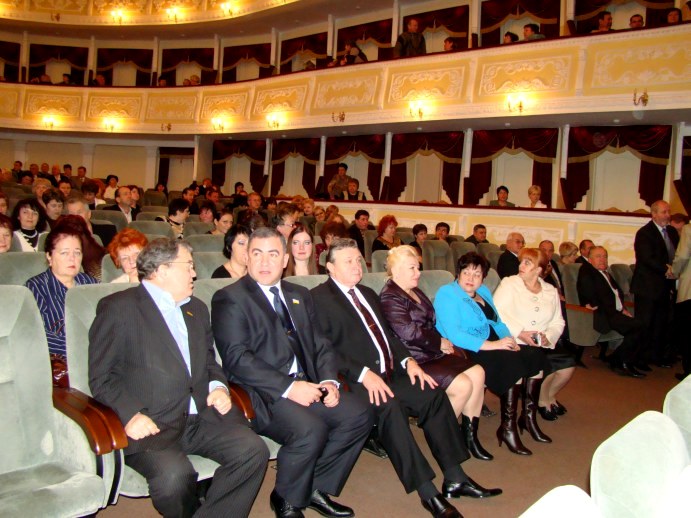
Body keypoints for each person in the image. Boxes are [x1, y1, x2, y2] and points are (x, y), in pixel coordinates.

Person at [311, 239, 501, 518]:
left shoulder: (366, 293)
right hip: (356, 380)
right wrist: (364, 374)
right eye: (348, 261)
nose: (357, 265)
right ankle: (427, 492)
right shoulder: (318, 298)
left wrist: (408, 361)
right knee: (392, 410)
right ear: (330, 267)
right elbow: (324, 349)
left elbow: (389, 336)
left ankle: (455, 477)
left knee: (432, 395)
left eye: (358, 260)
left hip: (390, 372)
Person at [89, 238, 268, 517]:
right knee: (174, 479)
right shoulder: (119, 308)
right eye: (188, 266)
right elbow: (101, 377)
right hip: (153, 423)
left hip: (202, 417)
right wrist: (130, 415)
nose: (194, 273)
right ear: (162, 270)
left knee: (254, 451)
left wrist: (218, 387)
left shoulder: (196, 308)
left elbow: (209, 360)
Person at [211, 227, 373, 518]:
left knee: (359, 414)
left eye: (273, 254)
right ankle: (286, 498)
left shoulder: (299, 294)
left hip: (308, 383)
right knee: (310, 429)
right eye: (257, 254)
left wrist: (328, 380)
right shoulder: (230, 298)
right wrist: (289, 388)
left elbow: (320, 343)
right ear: (247, 258)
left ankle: (313, 487)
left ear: (285, 259)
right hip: (263, 393)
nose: (265, 262)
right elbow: (237, 358)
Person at [380, 246, 491, 460]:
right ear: (395, 271)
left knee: (478, 372)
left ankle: (469, 437)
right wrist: (439, 342)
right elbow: (408, 332)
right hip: (412, 358)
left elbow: (430, 323)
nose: (418, 273)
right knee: (463, 385)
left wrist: (443, 341)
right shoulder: (390, 297)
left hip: (430, 352)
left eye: (418, 267)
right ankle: (443, 438)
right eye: (412, 268)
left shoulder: (414, 290)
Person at [434, 252, 549, 456]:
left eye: (477, 274)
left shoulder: (484, 291)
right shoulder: (447, 293)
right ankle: (505, 429)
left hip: (493, 341)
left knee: (534, 355)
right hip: (469, 348)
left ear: (483, 277)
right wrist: (495, 345)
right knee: (512, 364)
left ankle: (527, 419)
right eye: (466, 272)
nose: (471, 278)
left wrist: (509, 340)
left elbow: (497, 322)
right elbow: (455, 334)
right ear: (458, 273)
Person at [493, 248, 574, 423]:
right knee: (537, 359)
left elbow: (558, 321)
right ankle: (533, 411)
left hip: (541, 343)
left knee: (567, 364)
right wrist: (520, 333)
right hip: (515, 340)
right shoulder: (509, 284)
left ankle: (545, 399)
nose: (521, 266)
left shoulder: (550, 290)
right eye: (521, 261)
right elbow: (498, 313)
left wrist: (548, 337)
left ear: (538, 270)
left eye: (527, 263)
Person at [26, 216, 99, 362]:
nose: (72, 258)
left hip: (99, 354)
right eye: (64, 253)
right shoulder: (36, 287)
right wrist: (80, 348)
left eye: (77, 252)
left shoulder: (91, 283)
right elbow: (36, 333)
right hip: (64, 360)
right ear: (49, 256)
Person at [577, 246, 646, 378]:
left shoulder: (606, 273)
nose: (602, 259)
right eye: (598, 256)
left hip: (615, 312)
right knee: (637, 327)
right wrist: (588, 303)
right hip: (604, 314)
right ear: (590, 260)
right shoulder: (587, 271)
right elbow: (587, 292)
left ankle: (620, 359)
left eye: (605, 256)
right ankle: (620, 361)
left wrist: (623, 309)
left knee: (642, 325)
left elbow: (616, 294)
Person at [630, 200, 678, 368]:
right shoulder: (644, 233)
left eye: (668, 211)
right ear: (654, 214)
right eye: (664, 212)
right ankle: (638, 358)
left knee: (661, 323)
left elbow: (677, 254)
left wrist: (676, 269)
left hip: (665, 286)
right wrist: (667, 269)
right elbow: (647, 258)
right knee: (645, 324)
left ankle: (655, 356)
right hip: (647, 287)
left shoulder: (672, 231)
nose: (667, 215)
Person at [672, 222, 691, 381]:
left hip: (690, 291)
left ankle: (689, 372)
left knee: (687, 333)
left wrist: (674, 271)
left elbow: (683, 256)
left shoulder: (688, 229)